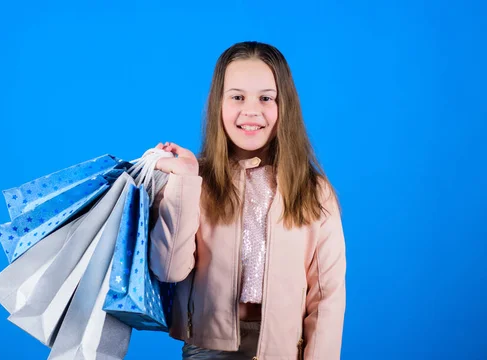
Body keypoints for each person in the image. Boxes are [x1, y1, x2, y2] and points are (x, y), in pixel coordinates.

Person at [148, 41, 346, 360]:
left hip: (285, 351)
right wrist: (184, 181)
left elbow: (327, 297)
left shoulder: (314, 191)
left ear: (285, 107)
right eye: (237, 97)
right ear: (219, 105)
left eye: (266, 98)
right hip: (208, 350)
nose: (251, 111)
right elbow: (169, 269)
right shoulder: (193, 183)